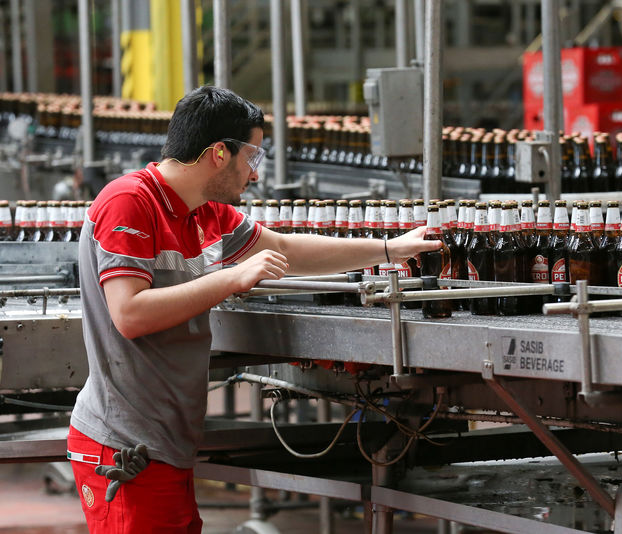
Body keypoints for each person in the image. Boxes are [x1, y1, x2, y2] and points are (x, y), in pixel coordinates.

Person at [66, 85, 441, 533]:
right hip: (124, 445)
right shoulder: (129, 202)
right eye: (253, 158)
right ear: (219, 154)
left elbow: (284, 248)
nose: (256, 175)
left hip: (163, 441)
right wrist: (231, 277)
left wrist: (389, 249)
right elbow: (129, 314)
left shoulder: (204, 212)